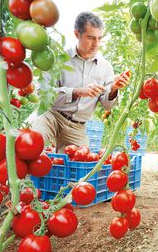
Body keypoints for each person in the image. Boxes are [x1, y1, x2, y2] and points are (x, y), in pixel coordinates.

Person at [29, 11, 130, 153]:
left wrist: (113, 89)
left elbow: (107, 106)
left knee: (77, 166)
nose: (96, 44)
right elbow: (43, 94)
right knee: (31, 145)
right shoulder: (59, 58)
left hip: (78, 126)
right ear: (77, 34)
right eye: (91, 38)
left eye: (100, 38)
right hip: (51, 116)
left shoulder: (105, 67)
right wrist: (77, 92)